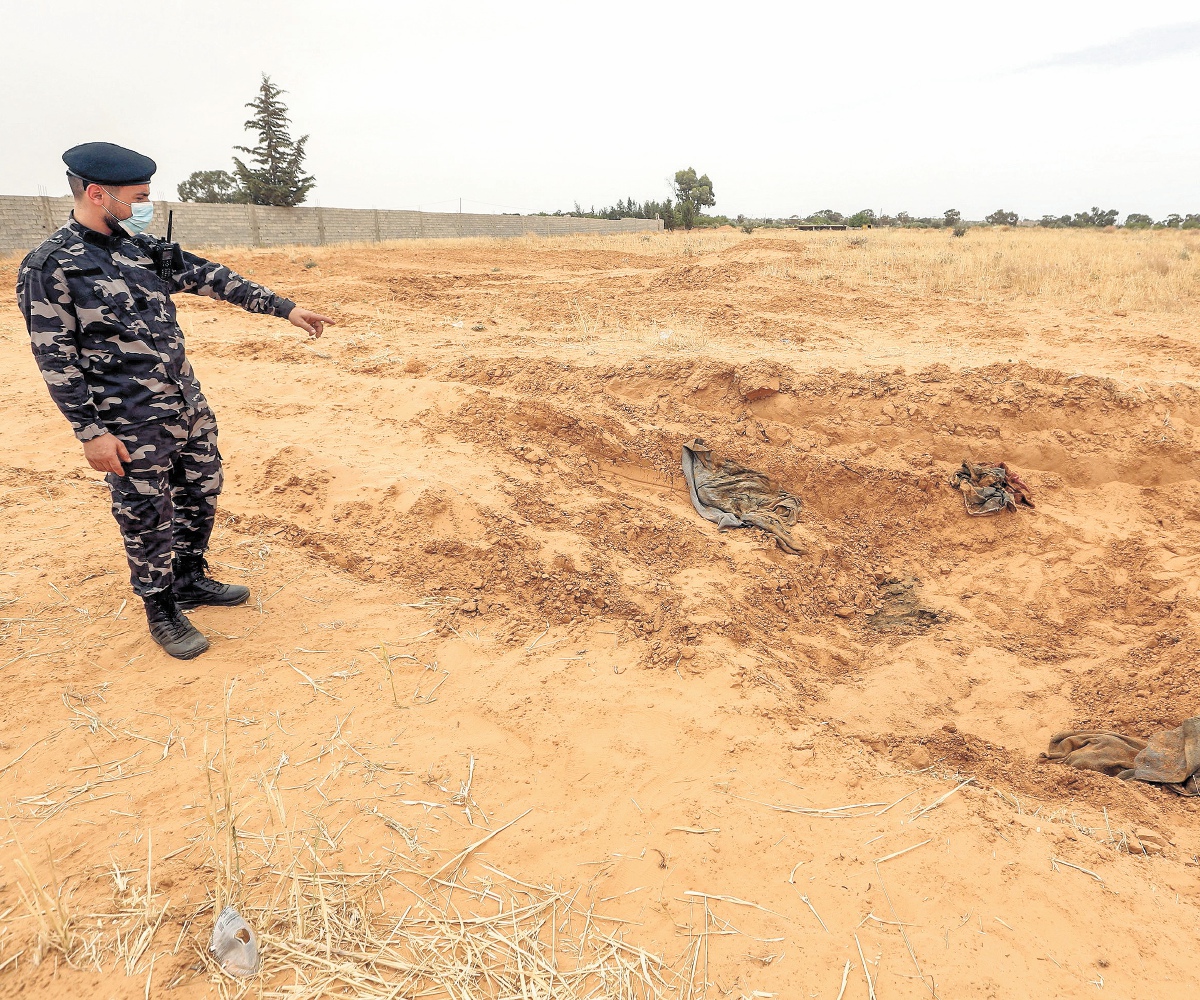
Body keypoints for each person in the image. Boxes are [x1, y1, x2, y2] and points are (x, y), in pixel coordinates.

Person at [16, 142, 334, 660]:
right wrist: (90, 432)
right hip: (126, 421)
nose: (145, 206)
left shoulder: (141, 249)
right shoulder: (50, 267)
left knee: (202, 489)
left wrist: (286, 308)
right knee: (146, 511)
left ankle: (189, 577)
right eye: (139, 197)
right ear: (98, 194)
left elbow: (213, 277)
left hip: (184, 405)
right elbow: (57, 361)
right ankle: (161, 607)